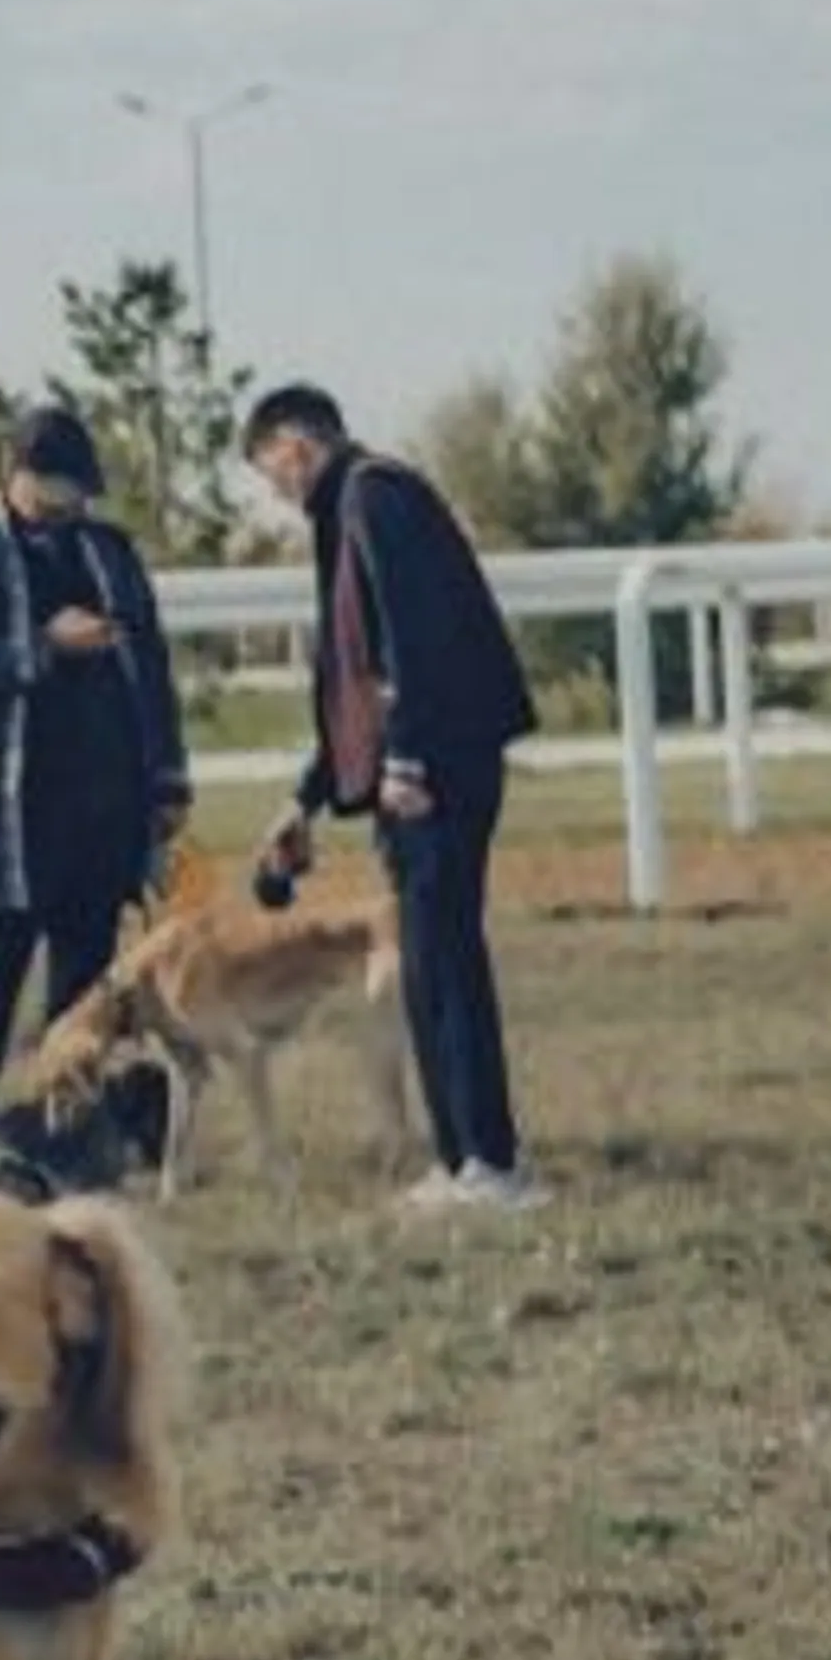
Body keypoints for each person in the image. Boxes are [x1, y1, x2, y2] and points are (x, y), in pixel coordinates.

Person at [245, 381, 544, 1210]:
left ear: (294, 448)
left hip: (436, 767)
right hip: (431, 761)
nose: (280, 495)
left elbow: (413, 638)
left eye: (274, 477)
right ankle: (467, 1159)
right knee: (430, 962)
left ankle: (489, 1161)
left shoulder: (374, 499)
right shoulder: (367, 502)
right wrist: (306, 797)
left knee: (444, 960)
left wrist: (405, 758)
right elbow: (361, 670)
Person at [0, 403, 197, 1152]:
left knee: (87, 979)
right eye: (61, 488)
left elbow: (154, 666)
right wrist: (42, 646)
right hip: (12, 813)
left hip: (103, 806)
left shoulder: (109, 551)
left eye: (81, 490)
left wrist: (168, 781)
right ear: (19, 475)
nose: (75, 505)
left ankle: (69, 1127)